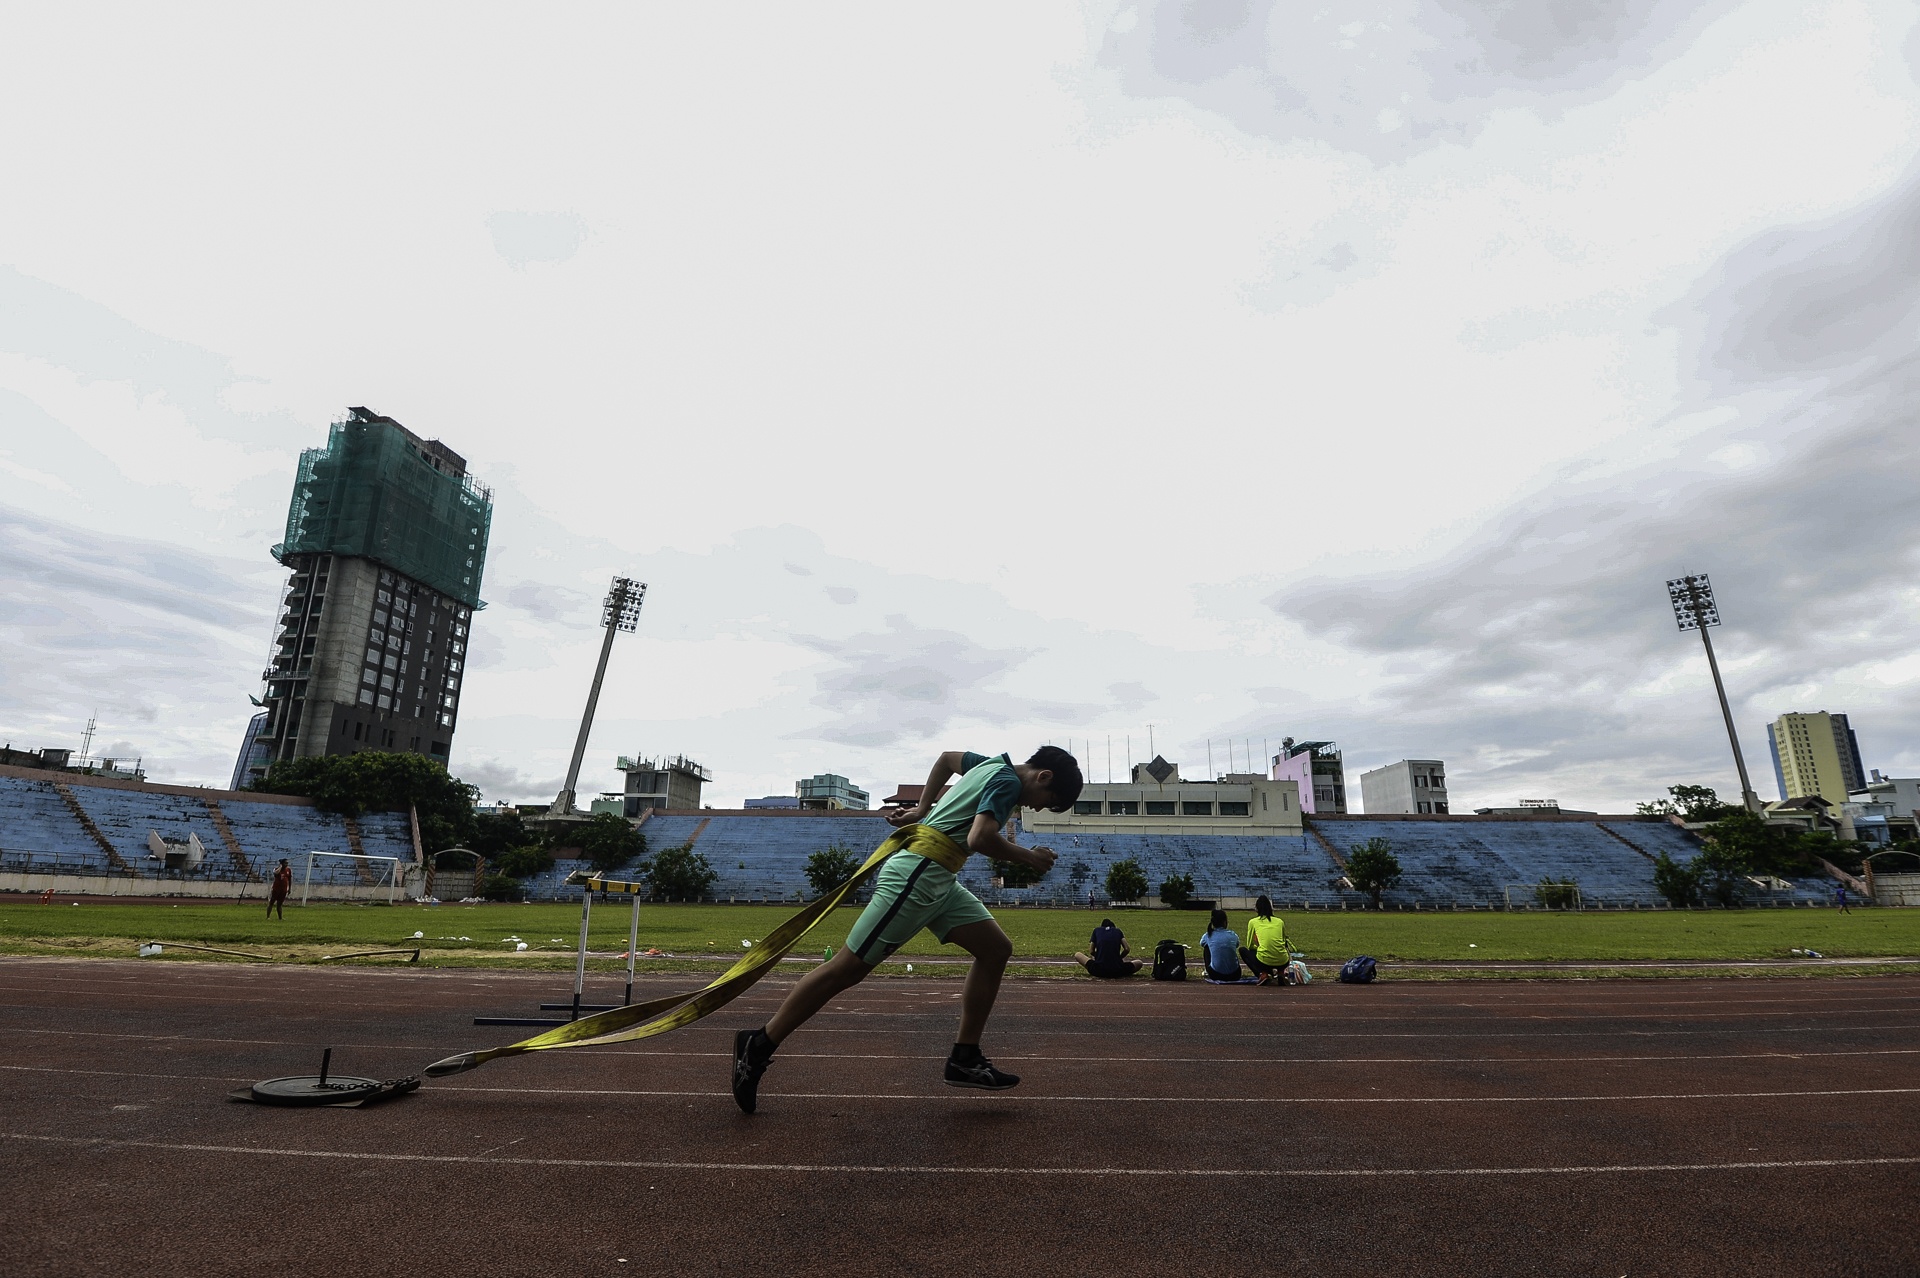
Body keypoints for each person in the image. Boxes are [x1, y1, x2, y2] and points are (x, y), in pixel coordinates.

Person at [732, 746, 1083, 1113]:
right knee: (845, 969)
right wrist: (1029, 856)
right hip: (917, 876)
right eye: (1047, 801)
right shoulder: (1008, 782)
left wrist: (921, 808)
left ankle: (965, 1056)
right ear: (1044, 777)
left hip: (940, 877)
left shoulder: (990, 765)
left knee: (995, 950)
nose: (1038, 808)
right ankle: (758, 1045)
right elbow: (980, 838)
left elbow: (948, 758)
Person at [1239, 895, 1290, 985]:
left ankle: (1263, 974)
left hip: (1264, 961)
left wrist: (1259, 946)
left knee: (1243, 950)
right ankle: (1281, 973)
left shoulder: (1253, 922)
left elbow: (1250, 945)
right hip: (1283, 960)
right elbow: (1283, 940)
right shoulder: (1279, 921)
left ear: (1257, 909)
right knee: (1277, 952)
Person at [1075, 918, 1143, 978]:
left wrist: (1098, 956)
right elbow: (1127, 949)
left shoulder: (1096, 930)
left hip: (1099, 970)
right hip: (1117, 970)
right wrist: (1119, 957)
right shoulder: (1118, 931)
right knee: (1139, 963)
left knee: (1077, 954)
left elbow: (1091, 951)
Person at [1197, 908, 1241, 981]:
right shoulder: (1233, 935)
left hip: (1216, 974)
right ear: (1225, 922)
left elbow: (1202, 943)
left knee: (1206, 947)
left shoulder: (1208, 935)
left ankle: (1208, 970)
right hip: (1235, 975)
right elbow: (1237, 945)